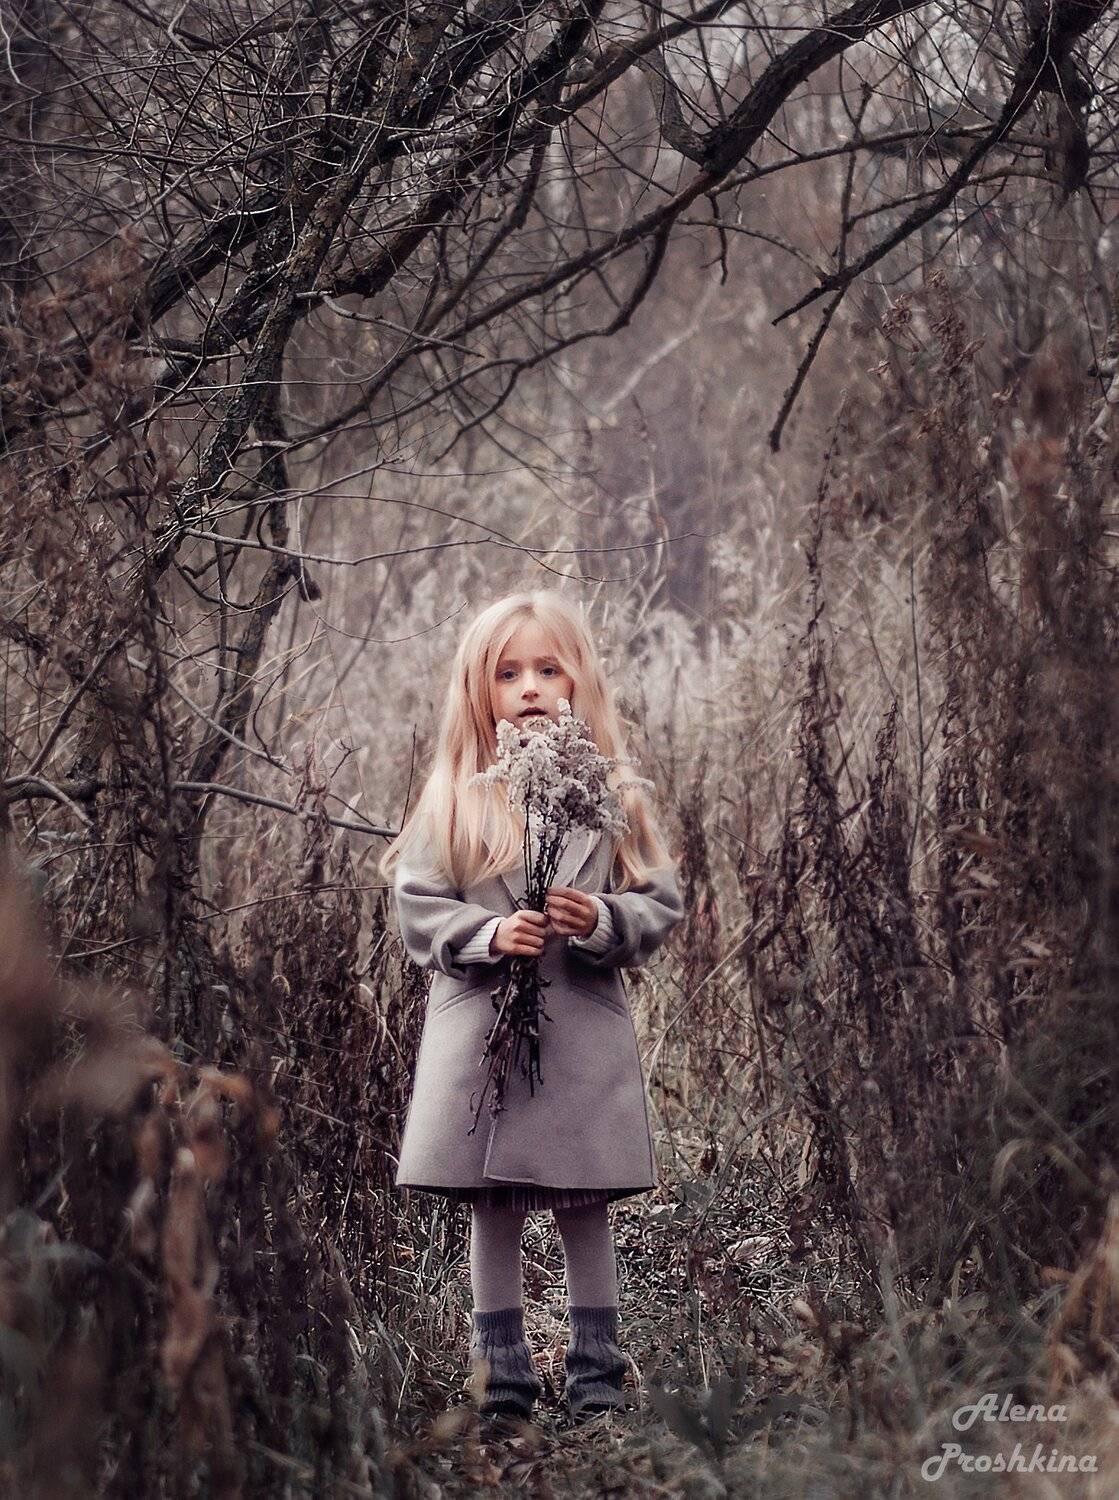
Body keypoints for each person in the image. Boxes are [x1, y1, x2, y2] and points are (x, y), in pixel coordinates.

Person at [380, 590, 684, 1427]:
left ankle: (597, 1372)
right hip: (484, 1033)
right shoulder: (454, 794)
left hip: (577, 1031)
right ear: (477, 690)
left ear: (580, 680)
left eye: (549, 669)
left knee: (585, 1202)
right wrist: (487, 934)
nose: (530, 688)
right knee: (494, 1204)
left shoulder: (613, 793)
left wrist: (603, 919)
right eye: (508, 673)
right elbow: (417, 907)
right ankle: (502, 1379)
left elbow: (658, 901)